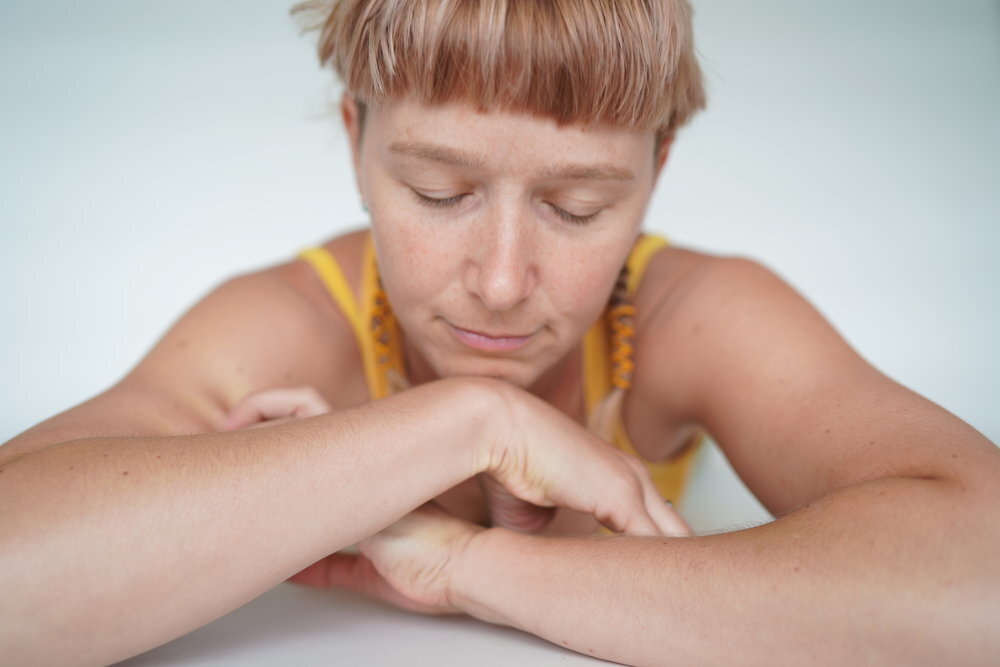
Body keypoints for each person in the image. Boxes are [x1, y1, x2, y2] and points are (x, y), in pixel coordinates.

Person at [1, 1, 997, 666]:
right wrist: (470, 422)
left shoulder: (688, 315)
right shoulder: (300, 317)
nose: (503, 281)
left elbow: (978, 580)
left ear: (657, 169)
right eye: (440, 192)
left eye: (575, 207)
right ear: (353, 140)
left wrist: (470, 568)